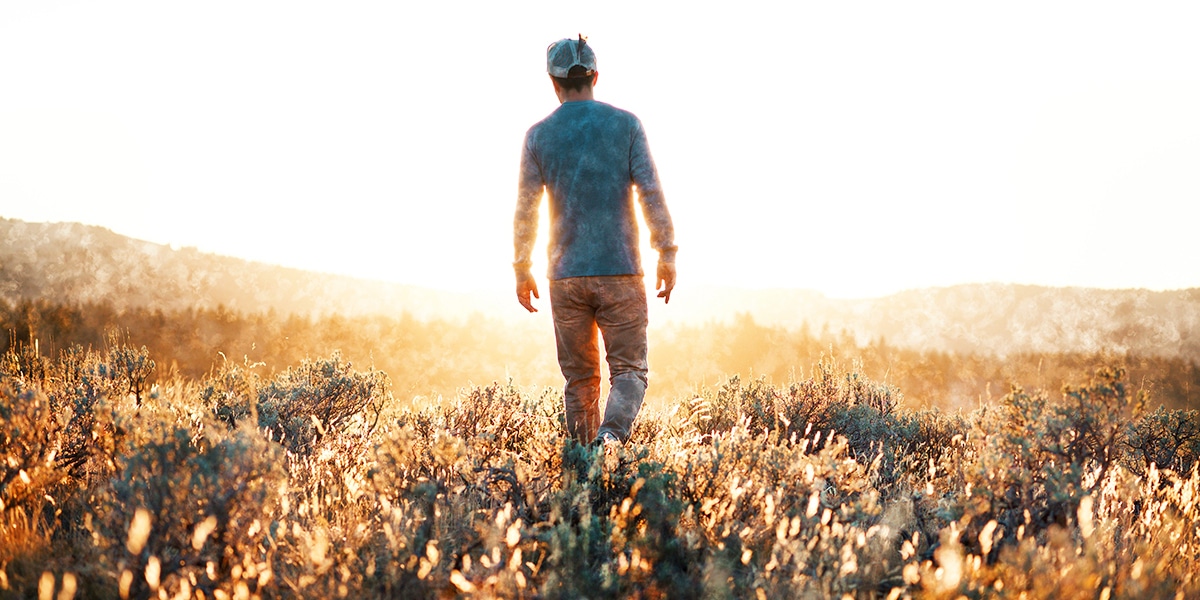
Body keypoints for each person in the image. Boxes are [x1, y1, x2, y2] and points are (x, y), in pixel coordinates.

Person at [513, 35, 677, 447]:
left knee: (580, 379)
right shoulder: (626, 125)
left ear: (552, 83)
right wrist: (667, 252)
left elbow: (526, 209)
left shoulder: (538, 136)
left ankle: (586, 469)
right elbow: (651, 192)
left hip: (565, 277)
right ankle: (611, 439)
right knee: (629, 371)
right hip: (620, 269)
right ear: (596, 76)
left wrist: (521, 267)